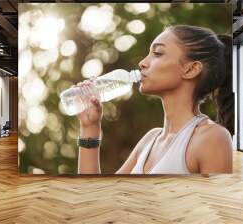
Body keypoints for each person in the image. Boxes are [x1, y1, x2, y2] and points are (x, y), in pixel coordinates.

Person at [75, 25, 234, 174]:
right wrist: (90, 127)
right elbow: (95, 196)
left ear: (191, 69)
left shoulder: (212, 138)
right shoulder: (150, 140)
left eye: (157, 53)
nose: (142, 63)